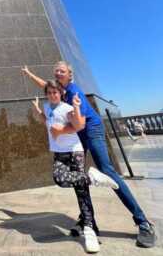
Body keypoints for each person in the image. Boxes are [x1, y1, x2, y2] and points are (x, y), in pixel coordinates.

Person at [22, 61, 156, 249]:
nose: (58, 73)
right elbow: (44, 85)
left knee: (107, 171)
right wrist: (29, 74)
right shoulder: (57, 90)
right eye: (56, 71)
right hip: (76, 137)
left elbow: (81, 124)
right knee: (78, 177)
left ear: (70, 75)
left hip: (91, 130)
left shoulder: (74, 91)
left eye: (62, 71)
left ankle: (143, 223)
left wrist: (59, 132)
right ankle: (88, 221)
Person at [32, 80, 119, 253]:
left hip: (74, 152)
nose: (52, 95)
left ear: (61, 93)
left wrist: (77, 107)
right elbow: (47, 121)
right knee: (59, 178)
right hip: (59, 153)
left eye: (55, 92)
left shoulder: (66, 108)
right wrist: (38, 111)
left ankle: (89, 229)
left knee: (81, 192)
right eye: (49, 92)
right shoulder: (48, 107)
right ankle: (91, 178)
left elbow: (79, 125)